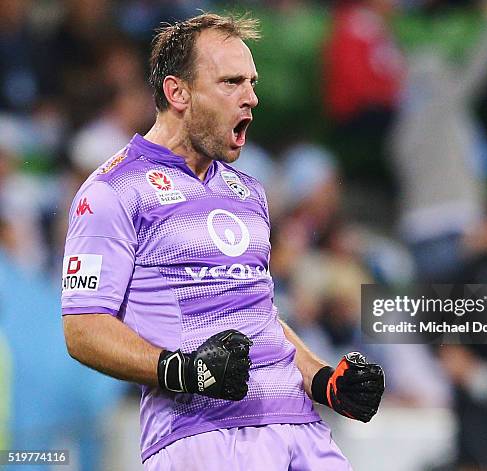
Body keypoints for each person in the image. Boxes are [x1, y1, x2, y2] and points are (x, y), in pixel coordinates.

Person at [60, 12, 385, 470]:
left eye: (251, 82)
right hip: (204, 437)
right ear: (177, 93)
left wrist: (324, 381)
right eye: (231, 82)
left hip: (303, 431)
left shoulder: (247, 191)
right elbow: (83, 329)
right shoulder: (112, 191)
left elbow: (260, 318)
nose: (251, 97)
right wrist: (182, 369)